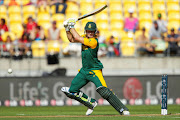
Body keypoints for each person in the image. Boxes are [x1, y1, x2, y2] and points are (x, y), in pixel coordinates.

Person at [61, 18, 130, 116]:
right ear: (86, 31)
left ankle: (123, 109)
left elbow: (76, 37)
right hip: (84, 71)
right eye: (88, 31)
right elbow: (71, 39)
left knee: (104, 91)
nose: (90, 33)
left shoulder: (93, 41)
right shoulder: (85, 37)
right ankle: (91, 103)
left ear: (95, 32)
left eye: (92, 31)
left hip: (95, 71)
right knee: (72, 91)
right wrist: (67, 29)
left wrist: (71, 26)